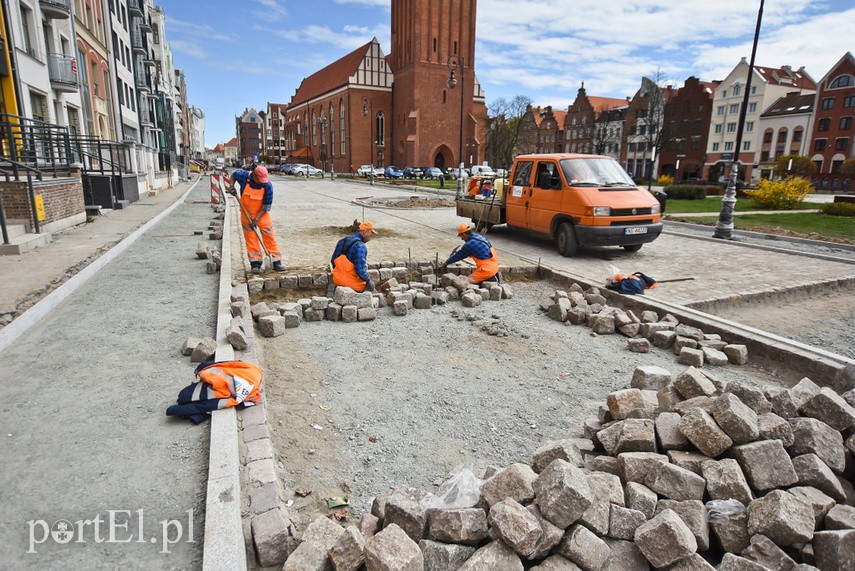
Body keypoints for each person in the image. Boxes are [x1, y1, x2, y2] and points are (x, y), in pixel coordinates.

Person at [229, 165, 284, 272]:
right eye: (259, 180)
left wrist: (256, 219)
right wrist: (231, 186)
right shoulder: (244, 176)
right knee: (251, 238)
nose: (262, 182)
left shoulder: (267, 185)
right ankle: (255, 264)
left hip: (262, 214)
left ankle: (276, 261)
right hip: (246, 214)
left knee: (269, 236)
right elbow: (233, 175)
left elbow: (266, 206)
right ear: (254, 175)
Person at [331, 221, 378, 292]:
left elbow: (333, 261)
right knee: (368, 288)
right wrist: (368, 280)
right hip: (349, 283)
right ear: (365, 232)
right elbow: (360, 270)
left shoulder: (342, 241)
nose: (370, 238)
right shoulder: (361, 246)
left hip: (336, 280)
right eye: (371, 235)